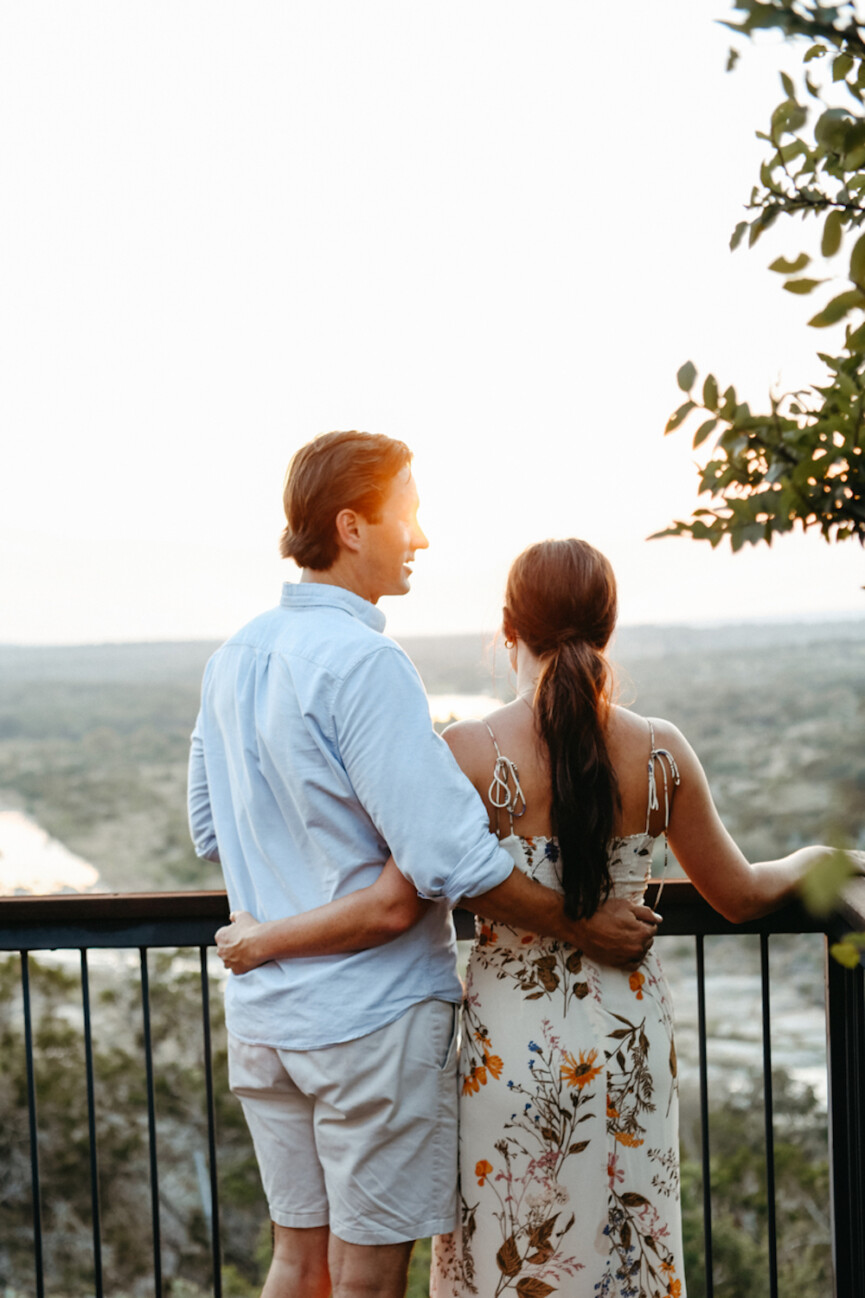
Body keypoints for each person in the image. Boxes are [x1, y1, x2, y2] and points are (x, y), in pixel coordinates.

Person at [215, 536, 855, 1298]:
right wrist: (821, 857)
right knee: (627, 1245)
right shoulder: (659, 753)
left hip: (511, 1044)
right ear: (607, 628)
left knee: (515, 1246)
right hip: (628, 1036)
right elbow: (741, 894)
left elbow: (399, 894)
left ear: (508, 629)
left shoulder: (468, 753)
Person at [188, 435, 658, 1298]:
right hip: (367, 1024)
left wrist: (279, 908)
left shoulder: (233, 658)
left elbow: (211, 827)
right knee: (366, 1279)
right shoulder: (365, 663)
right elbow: (446, 857)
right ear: (351, 525)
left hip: (266, 1019)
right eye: (407, 513)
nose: (422, 537)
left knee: (297, 1261)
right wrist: (577, 920)